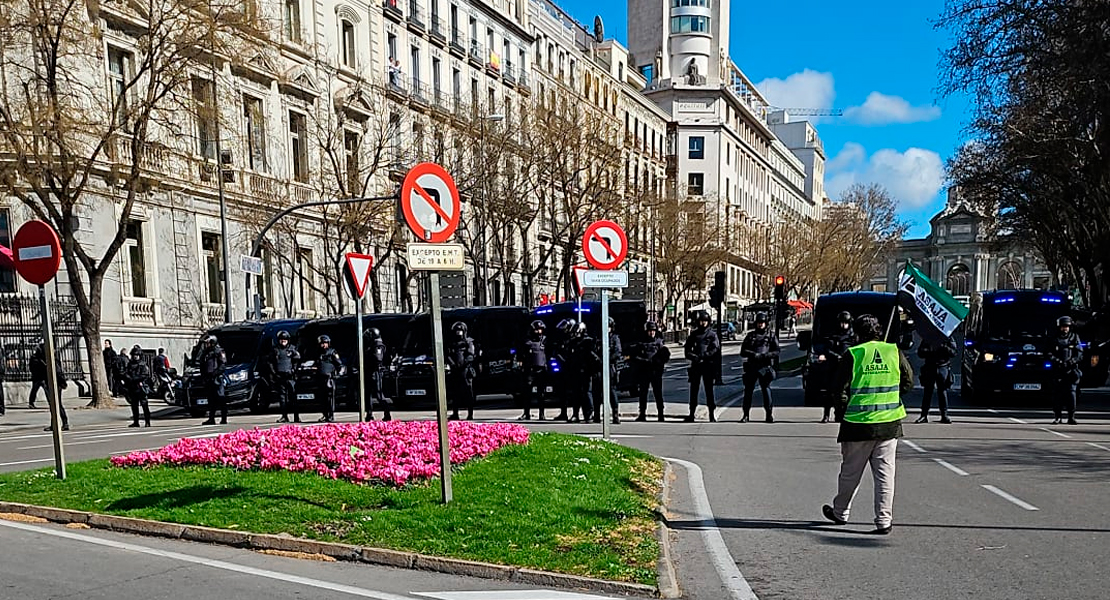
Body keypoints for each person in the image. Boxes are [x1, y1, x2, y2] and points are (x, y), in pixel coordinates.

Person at [822, 314, 914, 535]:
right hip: (889, 425)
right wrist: (891, 399)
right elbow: (908, 380)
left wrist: (843, 411)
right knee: (885, 475)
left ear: (857, 333)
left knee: (850, 474)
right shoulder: (893, 351)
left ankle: (841, 512)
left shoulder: (853, 354)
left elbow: (838, 390)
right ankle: (884, 520)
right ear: (879, 331)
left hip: (857, 425)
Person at [740, 312, 780, 423]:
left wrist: (765, 355)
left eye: (762, 323)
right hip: (752, 366)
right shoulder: (750, 336)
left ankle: (769, 414)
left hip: (764, 366)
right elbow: (743, 352)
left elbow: (776, 351)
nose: (760, 325)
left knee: (766, 390)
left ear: (766, 323)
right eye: (758, 323)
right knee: (748, 391)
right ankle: (746, 415)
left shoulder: (771, 336)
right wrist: (753, 354)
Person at [818, 311, 857, 423]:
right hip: (834, 366)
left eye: (845, 323)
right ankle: (826, 414)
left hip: (848, 367)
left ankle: (842, 414)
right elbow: (827, 349)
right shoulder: (834, 335)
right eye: (841, 323)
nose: (843, 325)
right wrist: (836, 356)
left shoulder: (853, 337)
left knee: (846, 391)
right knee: (830, 392)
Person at [684, 311, 720, 422]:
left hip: (707, 365)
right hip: (696, 365)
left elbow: (715, 349)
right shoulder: (694, 335)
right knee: (693, 391)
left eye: (705, 321)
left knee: (709, 391)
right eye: (701, 321)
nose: (703, 323)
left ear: (708, 322)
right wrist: (693, 357)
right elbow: (687, 350)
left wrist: (705, 355)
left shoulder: (712, 335)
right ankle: (691, 413)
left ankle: (711, 414)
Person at [915, 336, 957, 424]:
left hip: (943, 367)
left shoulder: (948, 337)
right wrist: (929, 349)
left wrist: (943, 347)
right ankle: (924, 415)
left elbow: (954, 352)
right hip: (930, 366)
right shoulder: (928, 337)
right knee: (927, 391)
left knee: (942, 391)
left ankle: (944, 415)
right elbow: (920, 353)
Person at [634, 321, 669, 422]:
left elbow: (665, 356)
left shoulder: (659, 343)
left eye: (653, 331)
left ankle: (661, 414)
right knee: (643, 394)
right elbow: (635, 356)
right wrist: (644, 361)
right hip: (644, 371)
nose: (651, 333)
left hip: (655, 371)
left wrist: (658, 362)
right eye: (650, 331)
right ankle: (642, 414)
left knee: (658, 393)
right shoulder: (641, 342)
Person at [1050, 316, 1082, 425]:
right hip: (1058, 370)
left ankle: (1071, 417)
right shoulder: (1054, 338)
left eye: (1067, 327)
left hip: (1071, 370)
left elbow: (1080, 354)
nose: (1065, 329)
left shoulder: (1074, 337)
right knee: (1057, 394)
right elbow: (1048, 353)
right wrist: (1057, 361)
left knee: (1071, 394)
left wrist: (1071, 362)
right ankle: (1057, 416)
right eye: (1063, 327)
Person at [567, 321, 600, 422]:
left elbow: (593, 357)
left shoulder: (588, 342)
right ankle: (575, 414)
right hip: (575, 371)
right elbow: (569, 356)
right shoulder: (572, 342)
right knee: (575, 393)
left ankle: (588, 414)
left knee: (586, 393)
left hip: (586, 371)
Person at [591, 317, 622, 425]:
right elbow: (592, 351)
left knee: (612, 392)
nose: (607, 329)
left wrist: (607, 359)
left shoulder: (614, 338)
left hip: (610, 366)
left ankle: (615, 415)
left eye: (608, 327)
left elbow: (618, 352)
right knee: (596, 392)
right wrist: (598, 359)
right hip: (598, 368)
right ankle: (596, 415)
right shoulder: (597, 338)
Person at [266, 330, 301, 423]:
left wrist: (293, 370)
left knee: (293, 397)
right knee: (282, 398)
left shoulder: (292, 349)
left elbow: (297, 361)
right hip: (280, 376)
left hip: (290, 376)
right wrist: (274, 373)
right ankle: (284, 416)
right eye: (281, 340)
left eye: (285, 340)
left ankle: (296, 417)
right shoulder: (275, 350)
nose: (283, 341)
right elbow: (270, 362)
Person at [34, 344, 69, 431]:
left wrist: (62, 382)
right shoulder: (43, 360)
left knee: (55, 404)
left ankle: (63, 422)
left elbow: (58, 371)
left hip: (54, 384)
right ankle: (58, 423)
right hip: (50, 383)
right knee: (55, 405)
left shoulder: (50, 360)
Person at [519, 319, 549, 421]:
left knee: (541, 393)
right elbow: (521, 354)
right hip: (530, 369)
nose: (538, 332)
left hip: (541, 369)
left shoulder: (545, 340)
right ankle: (526, 413)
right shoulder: (527, 341)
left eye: (540, 329)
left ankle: (542, 414)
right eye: (537, 330)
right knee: (527, 392)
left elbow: (549, 354)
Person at [446, 322, 477, 421]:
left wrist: (463, 364)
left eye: (460, 331)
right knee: (455, 393)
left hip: (465, 371)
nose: (458, 333)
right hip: (455, 371)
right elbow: (448, 355)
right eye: (457, 331)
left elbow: (471, 355)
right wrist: (452, 364)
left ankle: (470, 414)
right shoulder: (451, 343)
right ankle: (455, 413)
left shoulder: (468, 342)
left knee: (468, 393)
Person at [198, 335, 228, 425]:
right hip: (208, 379)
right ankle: (211, 418)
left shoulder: (219, 351)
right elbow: (202, 365)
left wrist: (215, 373)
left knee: (221, 398)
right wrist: (204, 376)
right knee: (211, 400)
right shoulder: (205, 353)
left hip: (217, 379)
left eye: (208, 343)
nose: (206, 345)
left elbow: (223, 365)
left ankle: (224, 418)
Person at [314, 334, 343, 423]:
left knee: (330, 398)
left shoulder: (332, 352)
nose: (323, 345)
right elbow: (316, 364)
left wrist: (338, 374)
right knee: (322, 398)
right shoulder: (318, 353)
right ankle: (324, 414)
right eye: (322, 343)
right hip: (320, 378)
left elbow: (340, 365)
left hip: (329, 378)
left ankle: (331, 415)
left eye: (325, 343)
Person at [364, 327, 391, 421]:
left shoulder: (377, 345)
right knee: (368, 394)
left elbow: (378, 358)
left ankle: (387, 413)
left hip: (375, 372)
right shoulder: (371, 345)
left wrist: (369, 355)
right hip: (369, 371)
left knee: (379, 394)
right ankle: (369, 414)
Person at [123, 346, 152, 427]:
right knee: (134, 406)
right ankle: (136, 422)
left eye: (136, 355)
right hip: (132, 387)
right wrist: (128, 378)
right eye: (133, 355)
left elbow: (145, 375)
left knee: (144, 405)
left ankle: (147, 422)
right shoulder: (130, 364)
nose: (135, 356)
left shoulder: (142, 364)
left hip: (141, 387)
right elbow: (126, 373)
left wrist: (135, 379)